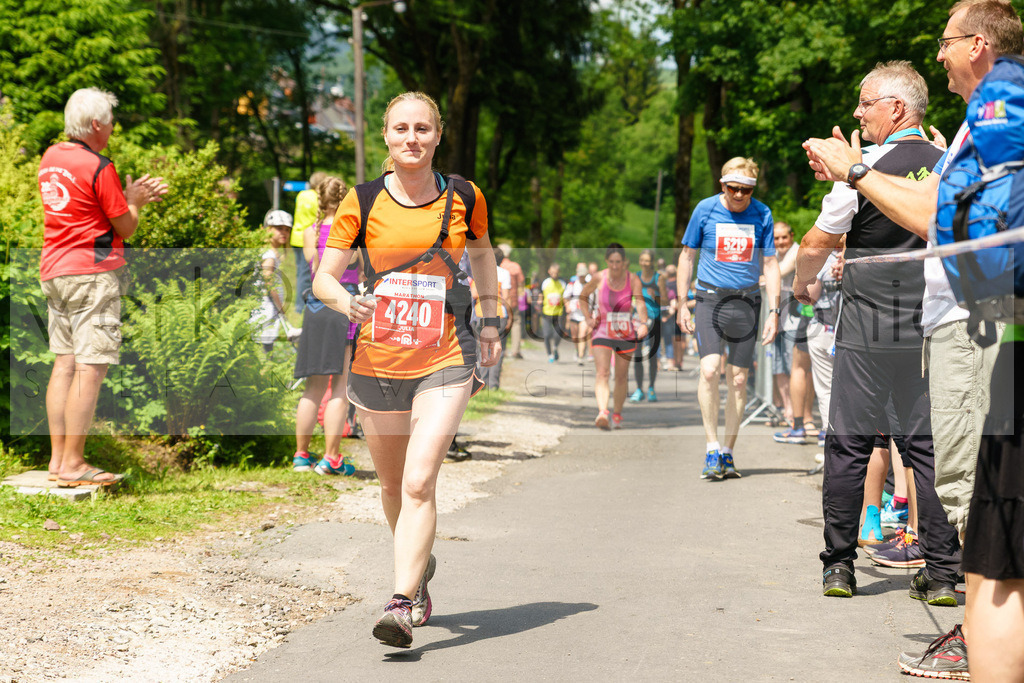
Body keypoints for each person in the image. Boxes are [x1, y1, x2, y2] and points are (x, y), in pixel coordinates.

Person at [802, 4, 1023, 677]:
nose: (939, 55)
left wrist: (854, 172)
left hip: (945, 328)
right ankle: (947, 583)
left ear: (978, 45)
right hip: (940, 330)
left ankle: (850, 566)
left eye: (946, 41)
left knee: (961, 495)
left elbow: (934, 218)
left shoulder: (1000, 111)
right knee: (934, 459)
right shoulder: (958, 135)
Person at [312, 91, 500, 649]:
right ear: (386, 136)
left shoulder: (465, 196)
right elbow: (324, 277)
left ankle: (399, 603)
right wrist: (348, 302)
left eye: (422, 128)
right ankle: (418, 570)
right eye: (401, 129)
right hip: (378, 358)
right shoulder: (362, 199)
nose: (412, 138)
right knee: (393, 486)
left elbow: (483, 254)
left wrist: (491, 318)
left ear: (438, 135)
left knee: (419, 480)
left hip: (446, 353)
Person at [795, 60, 962, 612]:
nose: (857, 112)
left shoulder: (862, 169)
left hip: (867, 329)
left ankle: (839, 565)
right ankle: (942, 573)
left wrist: (802, 285)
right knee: (928, 449)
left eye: (866, 103)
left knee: (848, 443)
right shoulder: (950, 162)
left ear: (896, 108)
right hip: (929, 326)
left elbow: (817, 243)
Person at [38, 87, 168, 487]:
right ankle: (74, 464)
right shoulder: (98, 166)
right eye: (110, 122)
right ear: (96, 125)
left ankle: (58, 460)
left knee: (64, 364)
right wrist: (135, 200)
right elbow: (124, 226)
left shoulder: (50, 157)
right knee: (90, 368)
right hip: (92, 274)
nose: (112, 129)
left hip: (54, 270)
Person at [677, 157, 781, 480]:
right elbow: (687, 256)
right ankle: (711, 447)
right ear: (722, 185)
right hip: (710, 298)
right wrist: (681, 304)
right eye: (733, 188)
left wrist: (774, 311)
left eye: (746, 190)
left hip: (747, 301)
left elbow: (771, 264)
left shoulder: (762, 214)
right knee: (710, 370)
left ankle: (727, 452)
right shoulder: (705, 210)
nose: (738, 195)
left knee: (737, 379)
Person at [290, 177, 355, 476]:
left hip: (314, 308)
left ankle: (301, 456)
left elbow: (311, 264)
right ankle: (331, 459)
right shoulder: (353, 232)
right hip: (343, 307)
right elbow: (362, 268)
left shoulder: (310, 232)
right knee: (340, 386)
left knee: (312, 387)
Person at [579, 243, 648, 430]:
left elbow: (640, 303)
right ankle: (603, 412)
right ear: (606, 261)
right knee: (603, 373)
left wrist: (643, 323)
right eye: (611, 262)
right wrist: (587, 318)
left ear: (624, 262)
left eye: (618, 262)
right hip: (602, 329)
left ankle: (617, 414)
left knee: (621, 376)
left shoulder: (632, 279)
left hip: (624, 331)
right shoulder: (599, 277)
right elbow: (583, 296)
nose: (615, 266)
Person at [251, 209, 291, 354]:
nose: (284, 233)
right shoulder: (269, 256)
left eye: (287, 229)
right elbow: (269, 283)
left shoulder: (270, 253)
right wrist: (280, 308)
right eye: (279, 228)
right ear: (268, 229)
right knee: (265, 348)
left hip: (266, 308)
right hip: (266, 308)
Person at [630, 249, 666, 403]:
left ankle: (651, 387)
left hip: (654, 319)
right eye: (642, 260)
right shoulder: (635, 277)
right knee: (637, 355)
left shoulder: (659, 278)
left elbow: (665, 300)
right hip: (637, 320)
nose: (644, 263)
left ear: (652, 262)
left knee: (652, 355)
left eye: (647, 260)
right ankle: (639, 389)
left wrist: (655, 296)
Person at [291, 172, 326, 314]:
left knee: (301, 272)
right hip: (308, 238)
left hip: (296, 236)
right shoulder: (318, 198)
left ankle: (299, 304)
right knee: (307, 274)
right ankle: (301, 306)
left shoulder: (301, 195)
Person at [497, 244, 525, 359]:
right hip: (513, 300)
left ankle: (502, 349)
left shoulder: (497, 266)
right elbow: (521, 283)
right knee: (516, 323)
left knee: (500, 323)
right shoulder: (515, 266)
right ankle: (515, 350)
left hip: (498, 301)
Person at [564, 263, 590, 365]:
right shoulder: (572, 285)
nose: (581, 277)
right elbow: (565, 297)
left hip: (584, 315)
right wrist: (568, 306)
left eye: (583, 275)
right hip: (574, 314)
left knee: (582, 335)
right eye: (580, 275)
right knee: (575, 337)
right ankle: (577, 350)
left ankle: (580, 356)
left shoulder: (589, 286)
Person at [540, 262, 566, 362]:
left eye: (556, 273)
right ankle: (550, 354)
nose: (554, 274)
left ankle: (555, 346)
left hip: (558, 313)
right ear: (549, 272)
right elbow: (540, 294)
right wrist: (538, 302)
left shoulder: (562, 283)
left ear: (559, 272)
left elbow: (566, 297)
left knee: (558, 334)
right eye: (553, 272)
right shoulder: (545, 282)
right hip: (546, 313)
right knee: (547, 335)